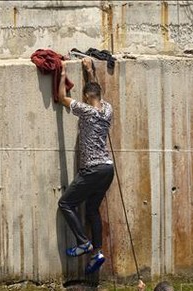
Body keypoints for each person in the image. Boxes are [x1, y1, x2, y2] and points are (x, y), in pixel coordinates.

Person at [58, 57, 114, 274]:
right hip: (107, 169)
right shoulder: (108, 109)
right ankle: (97, 252)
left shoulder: (85, 111)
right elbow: (94, 91)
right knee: (92, 209)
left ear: (85, 98)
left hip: (92, 169)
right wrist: (89, 70)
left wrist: (62, 72)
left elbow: (63, 97)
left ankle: (84, 243)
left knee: (65, 204)